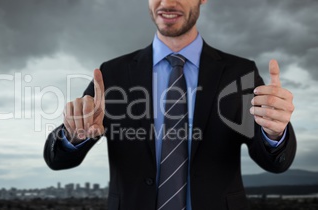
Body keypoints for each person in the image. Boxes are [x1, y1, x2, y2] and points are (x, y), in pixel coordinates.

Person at [43, 0, 297, 209]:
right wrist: (74, 135)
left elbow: (275, 163)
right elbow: (58, 161)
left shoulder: (239, 73)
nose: (167, 3)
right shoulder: (112, 74)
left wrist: (274, 133)